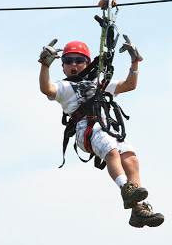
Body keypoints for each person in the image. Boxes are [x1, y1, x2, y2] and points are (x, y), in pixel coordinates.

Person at [38, 37, 164, 228]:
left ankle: (138, 210)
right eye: (68, 61)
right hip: (86, 129)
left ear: (87, 63)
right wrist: (44, 66)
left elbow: (129, 85)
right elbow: (45, 88)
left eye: (79, 61)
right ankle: (126, 189)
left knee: (131, 158)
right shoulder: (63, 87)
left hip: (107, 127)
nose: (74, 65)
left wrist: (135, 62)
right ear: (62, 66)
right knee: (111, 151)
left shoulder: (100, 82)